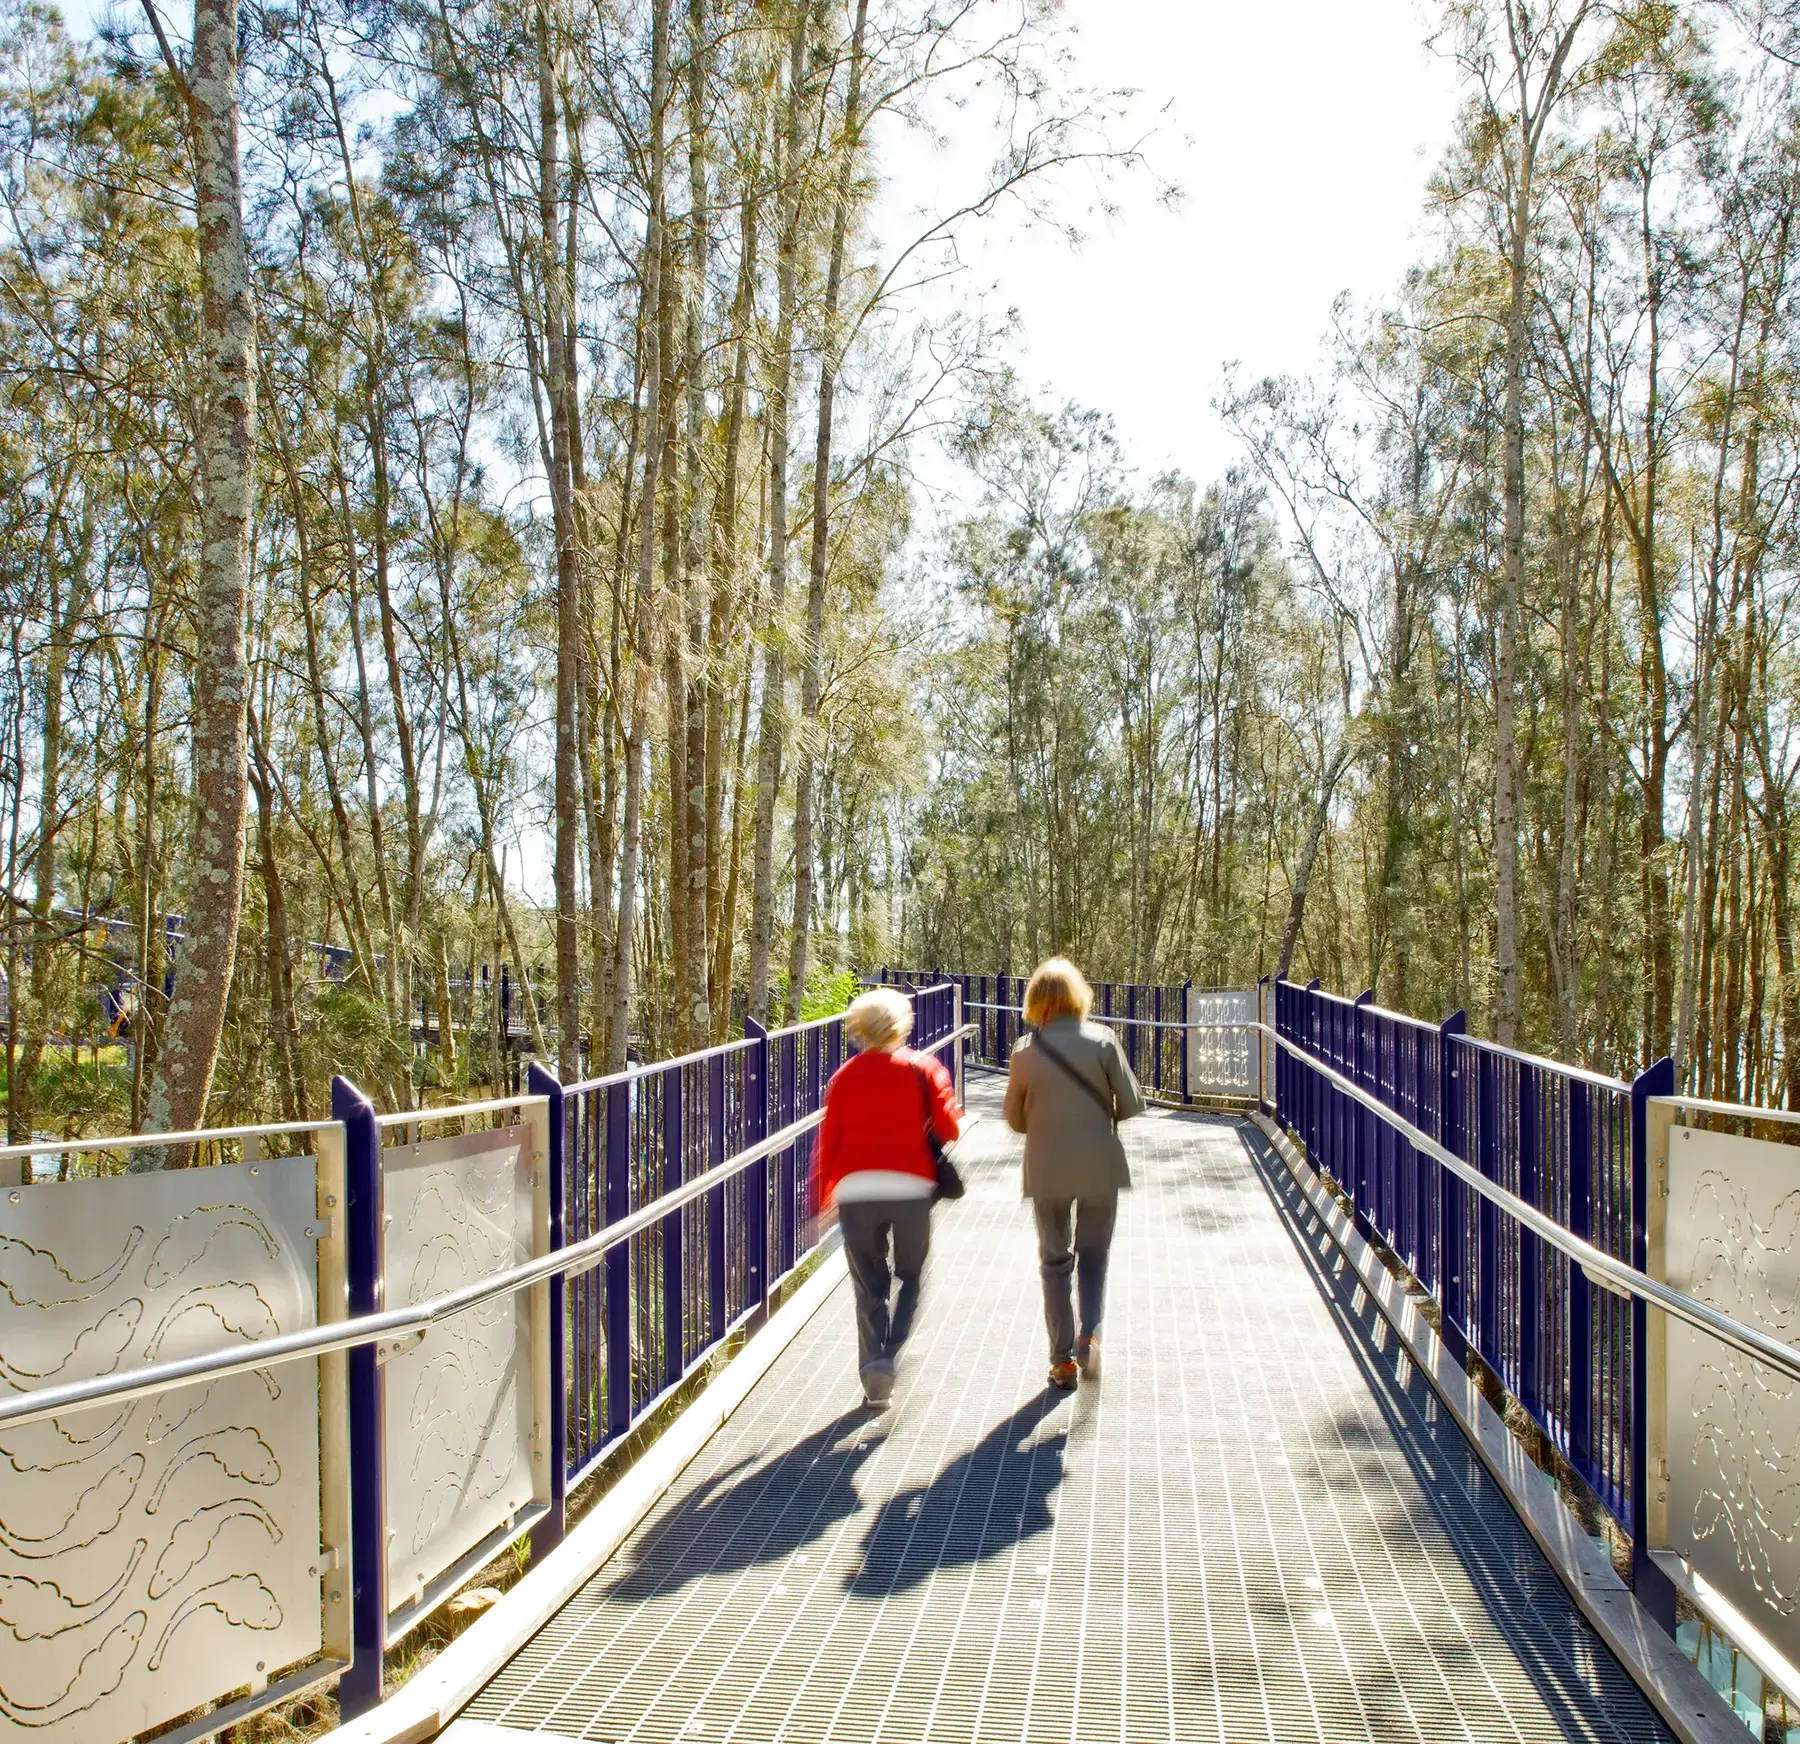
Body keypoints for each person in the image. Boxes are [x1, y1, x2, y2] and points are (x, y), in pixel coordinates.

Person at [813, 987, 963, 1408]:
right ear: (902, 1026)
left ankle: (875, 1374)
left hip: (856, 1192)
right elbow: (950, 1128)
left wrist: (821, 1201)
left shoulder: (844, 1077)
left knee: (869, 1287)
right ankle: (890, 1355)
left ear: (859, 1029)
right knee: (910, 1276)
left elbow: (829, 1142)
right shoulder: (923, 1068)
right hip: (911, 1189)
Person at [1003, 957, 1145, 1390]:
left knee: (1054, 1261)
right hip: (1099, 1163)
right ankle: (1090, 1337)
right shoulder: (1104, 1040)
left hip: (1047, 1167)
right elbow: (1132, 1104)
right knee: (1095, 1255)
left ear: (1035, 1001)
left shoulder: (1024, 1051)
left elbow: (1014, 1120)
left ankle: (1062, 1362)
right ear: (1079, 996)